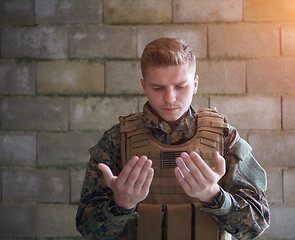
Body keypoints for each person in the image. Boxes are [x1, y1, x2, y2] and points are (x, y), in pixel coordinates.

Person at [76, 37, 270, 240]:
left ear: (195, 84)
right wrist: (121, 205)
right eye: (158, 88)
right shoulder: (116, 141)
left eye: (180, 86)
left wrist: (214, 196)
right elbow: (89, 231)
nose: (170, 98)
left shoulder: (225, 137)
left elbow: (256, 225)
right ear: (144, 86)